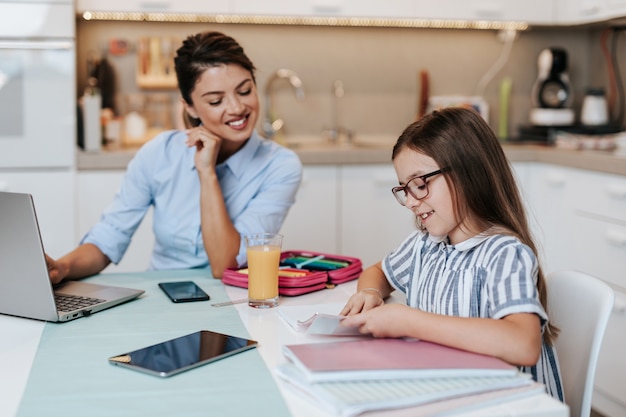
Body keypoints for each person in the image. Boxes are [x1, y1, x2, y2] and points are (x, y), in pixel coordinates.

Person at [340, 107, 564, 401]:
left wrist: (408, 320)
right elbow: (378, 272)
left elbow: (523, 343)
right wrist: (369, 292)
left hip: (505, 405)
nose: (410, 201)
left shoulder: (504, 254)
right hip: (451, 395)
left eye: (420, 185)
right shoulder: (425, 245)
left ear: (467, 172)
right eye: (404, 189)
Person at [46, 31, 302, 283]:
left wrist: (207, 173)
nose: (236, 108)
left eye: (245, 91)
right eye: (216, 101)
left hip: (235, 302)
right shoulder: (160, 153)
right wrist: (62, 268)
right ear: (189, 106)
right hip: (162, 296)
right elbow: (108, 238)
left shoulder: (280, 166)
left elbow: (226, 264)